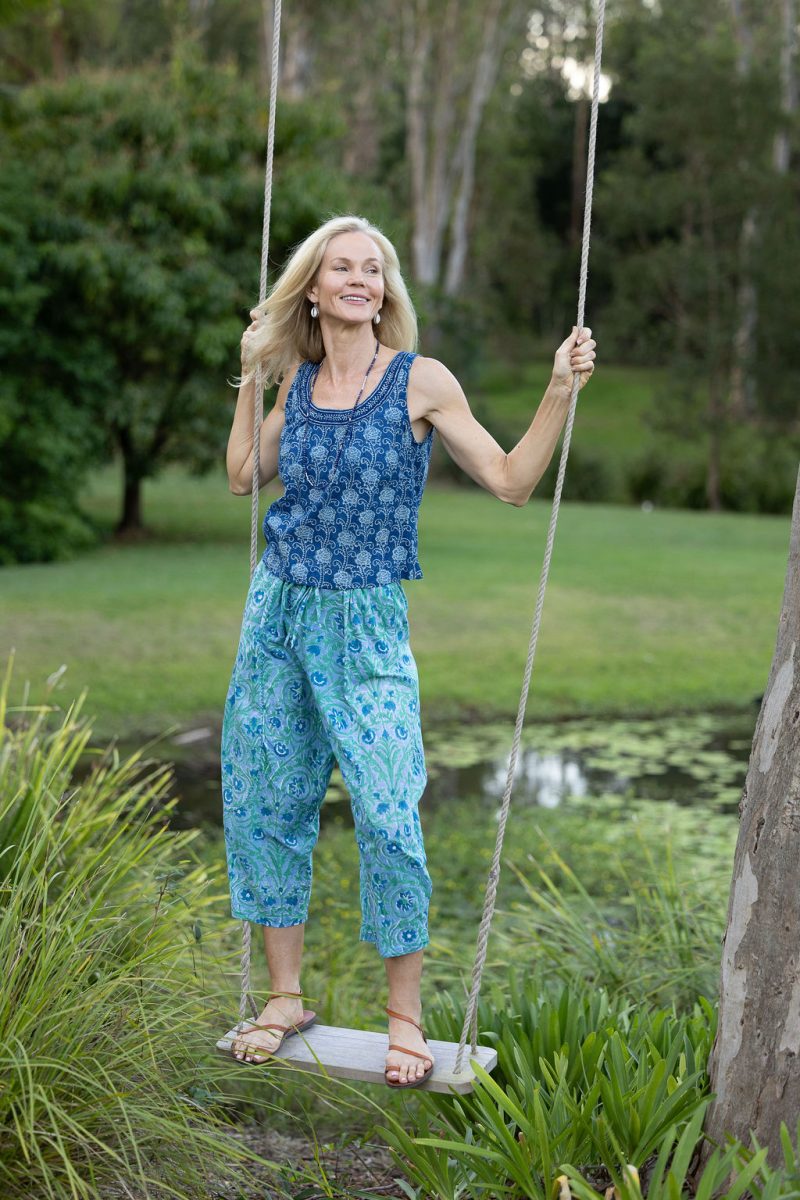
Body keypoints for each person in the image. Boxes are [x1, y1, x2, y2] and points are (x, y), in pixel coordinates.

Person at [221, 214, 596, 1087]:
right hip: (278, 613)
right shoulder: (301, 384)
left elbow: (509, 482)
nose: (362, 279)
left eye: (374, 269)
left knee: (389, 813)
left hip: (367, 625)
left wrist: (557, 391)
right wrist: (253, 376)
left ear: (385, 290)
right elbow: (244, 476)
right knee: (270, 802)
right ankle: (284, 997)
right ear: (312, 290)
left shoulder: (420, 381)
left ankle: (406, 1016)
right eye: (342, 268)